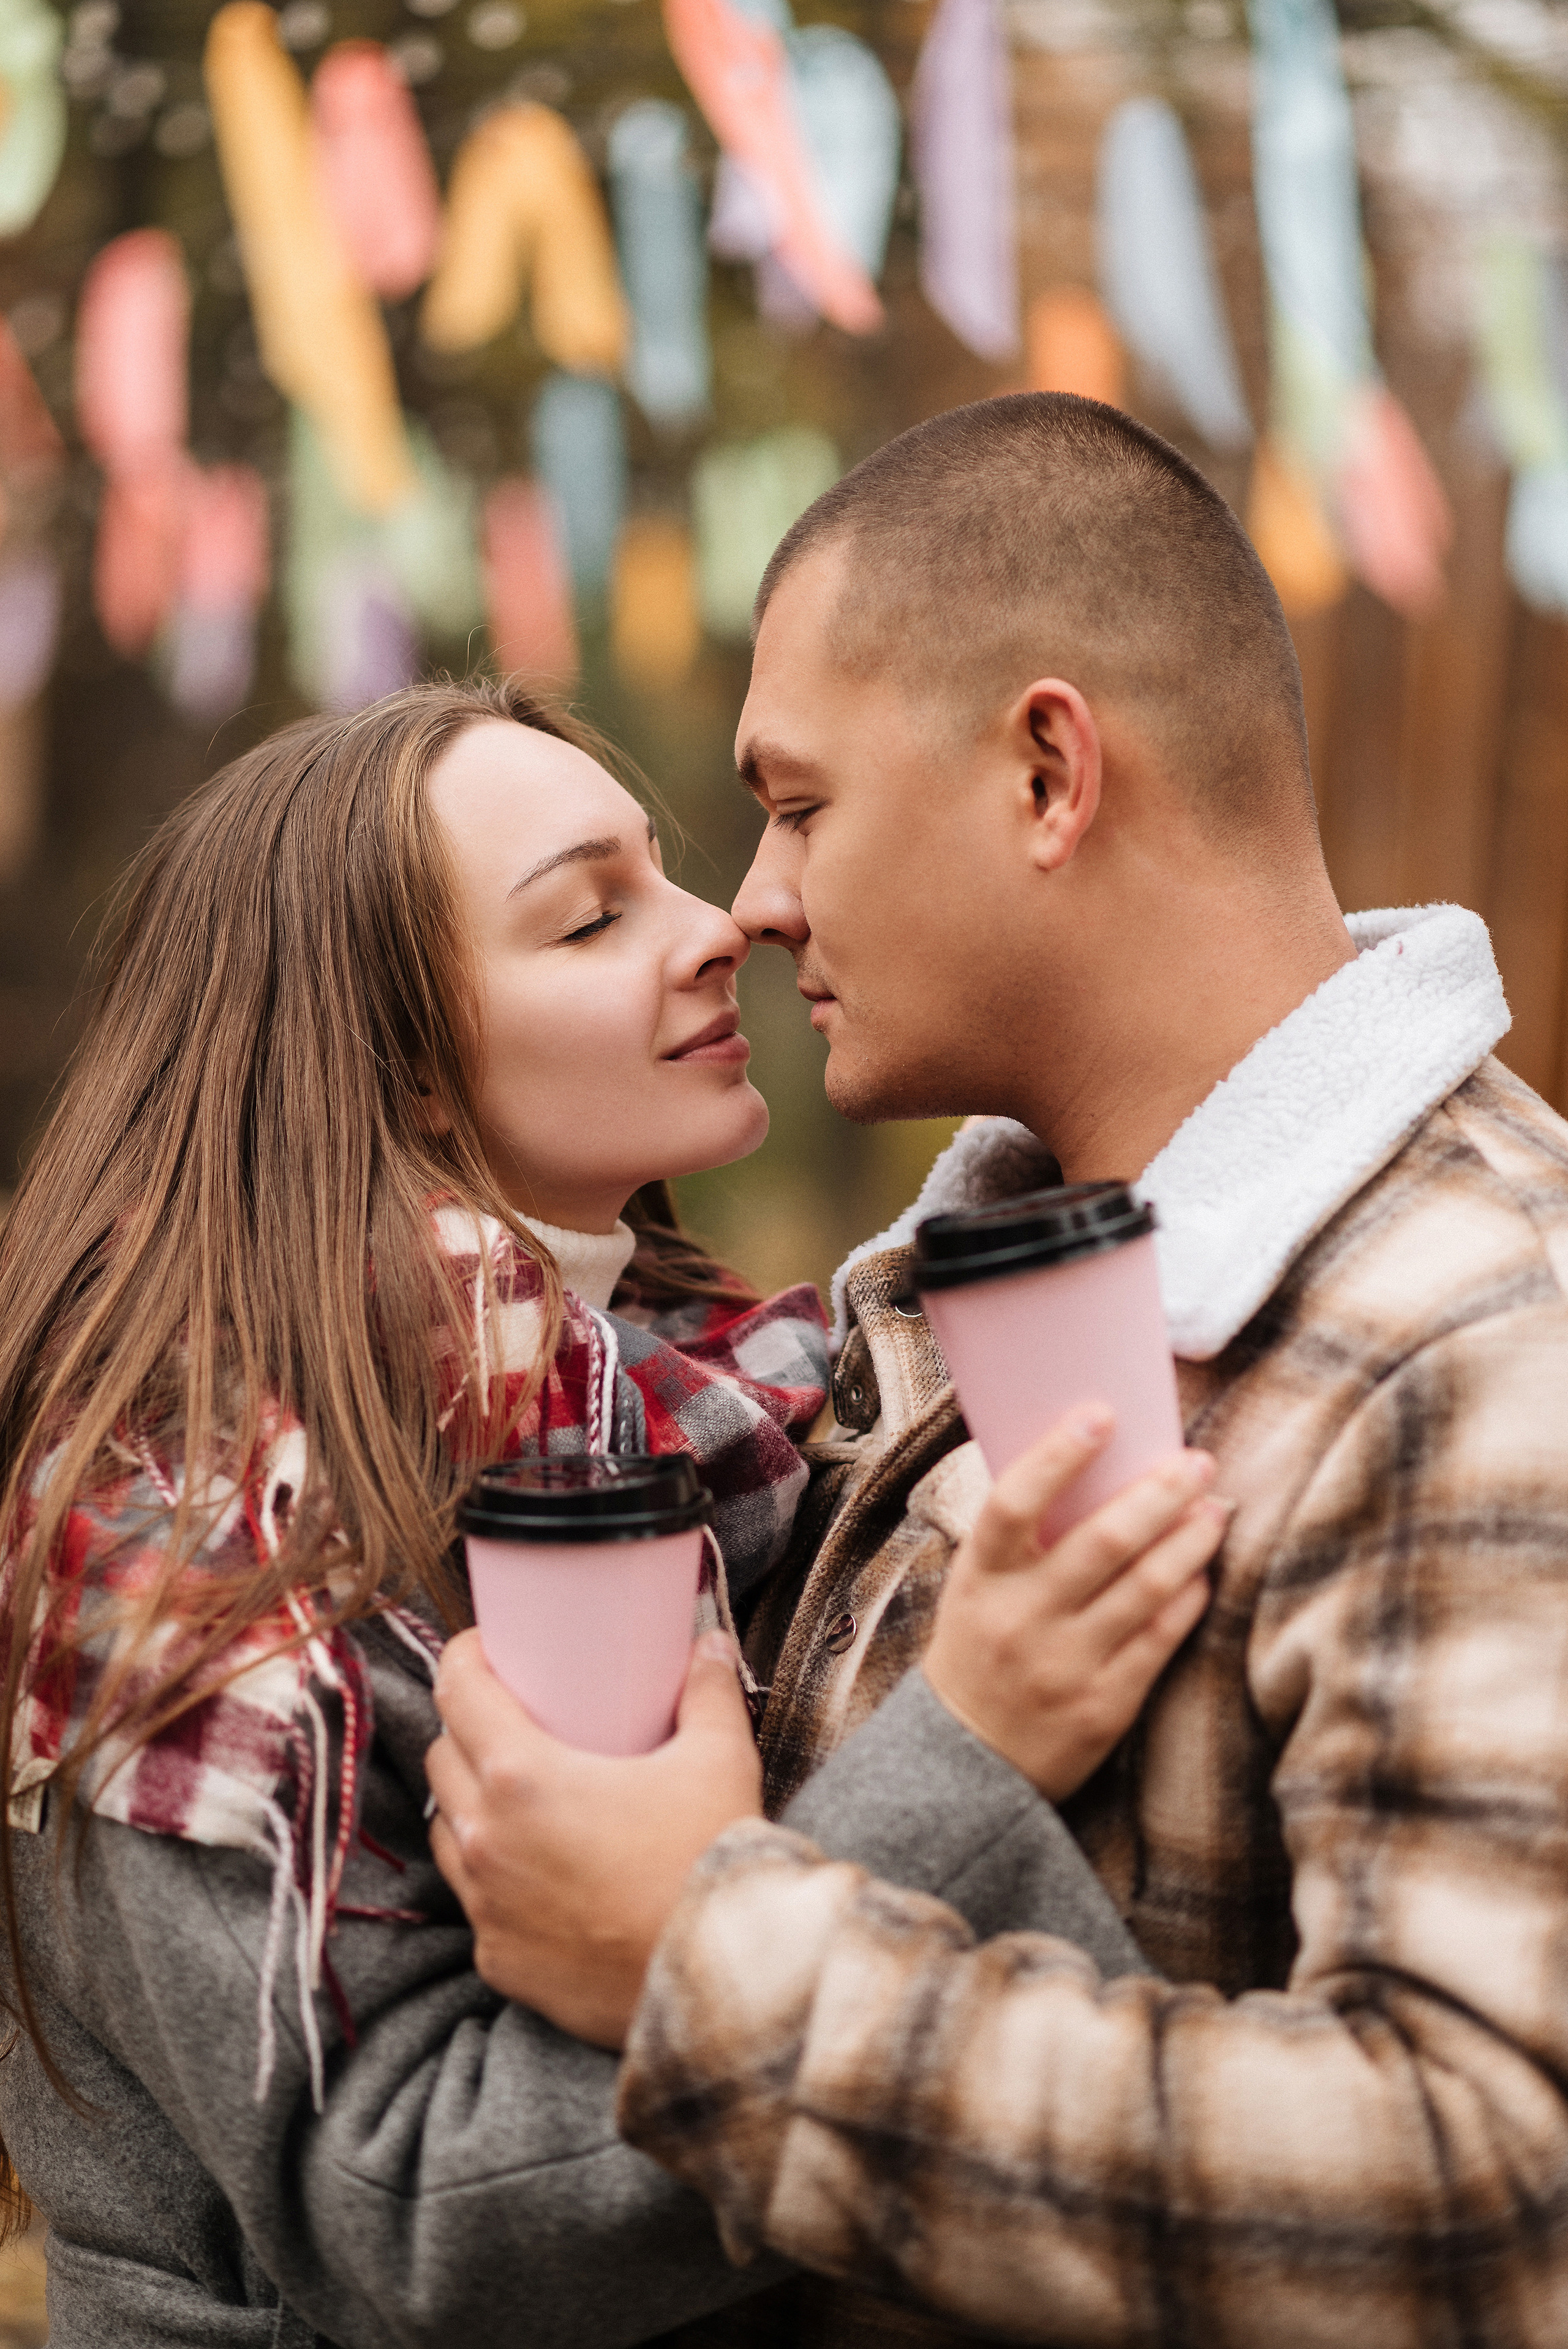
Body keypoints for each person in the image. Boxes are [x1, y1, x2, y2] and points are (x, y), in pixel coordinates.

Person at [427, 393, 1568, 2347]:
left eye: (799, 804)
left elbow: (1496, 2204)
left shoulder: (1474, 1337)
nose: (755, 900)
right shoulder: (959, 1304)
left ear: (1048, 772)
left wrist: (714, 1964)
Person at [0, 673, 1218, 2347]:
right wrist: (972, 1747)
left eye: (666, 873)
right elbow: (421, 2227)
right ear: (407, 1075)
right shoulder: (196, 1533)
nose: (720, 929)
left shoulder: (691, 1395)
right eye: (590, 918)